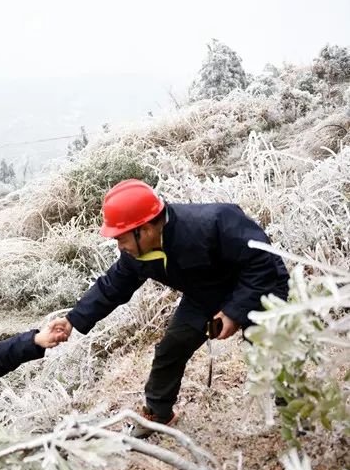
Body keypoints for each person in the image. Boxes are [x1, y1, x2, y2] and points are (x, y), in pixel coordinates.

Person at [52, 179, 289, 432]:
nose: (120, 247)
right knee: (171, 348)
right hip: (205, 293)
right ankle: (159, 413)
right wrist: (73, 319)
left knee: (267, 348)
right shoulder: (138, 253)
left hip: (261, 284)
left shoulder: (213, 222)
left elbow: (263, 261)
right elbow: (113, 285)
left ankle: (294, 406)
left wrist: (233, 312)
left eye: (121, 239)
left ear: (144, 230)